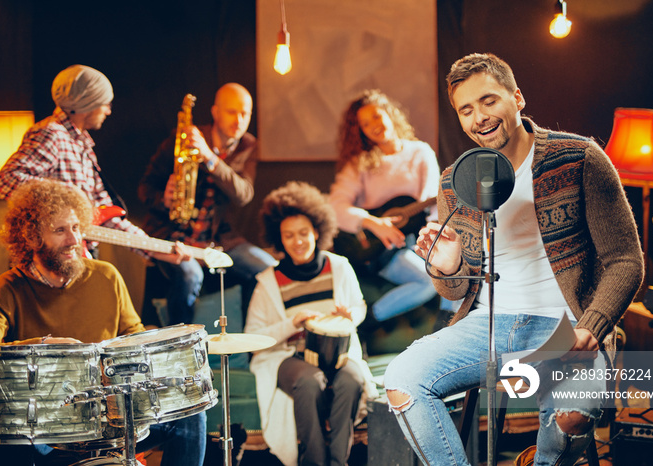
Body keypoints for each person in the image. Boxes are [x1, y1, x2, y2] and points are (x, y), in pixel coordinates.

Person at [383, 53, 644, 465]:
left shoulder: (579, 159)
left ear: (517, 98)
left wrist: (592, 326)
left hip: (568, 325)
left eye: (488, 101)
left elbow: (626, 260)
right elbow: (454, 289)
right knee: (401, 379)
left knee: (572, 413)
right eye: (466, 110)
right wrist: (449, 265)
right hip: (485, 326)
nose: (478, 117)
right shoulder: (456, 181)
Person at [0, 179, 207, 466]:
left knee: (191, 412)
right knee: (5, 430)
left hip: (112, 418)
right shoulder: (8, 287)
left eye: (76, 227)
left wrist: (152, 341)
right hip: (48, 427)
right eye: (60, 230)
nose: (73, 240)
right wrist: (44, 346)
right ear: (32, 236)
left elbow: (132, 336)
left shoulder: (107, 276)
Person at [0, 64, 188, 266]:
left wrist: (153, 248)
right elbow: (6, 181)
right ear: (89, 103)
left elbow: (104, 211)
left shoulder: (80, 143)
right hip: (47, 260)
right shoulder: (51, 134)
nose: (109, 111)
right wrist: (66, 203)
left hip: (75, 257)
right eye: (106, 103)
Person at [243, 181, 377, 466]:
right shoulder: (268, 282)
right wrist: (292, 323)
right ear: (279, 239)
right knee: (309, 380)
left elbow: (359, 307)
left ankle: (338, 462)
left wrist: (349, 316)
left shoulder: (338, 266)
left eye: (304, 233)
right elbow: (253, 337)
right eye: (289, 235)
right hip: (288, 357)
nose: (298, 241)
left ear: (317, 231)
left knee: (353, 380)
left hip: (338, 353)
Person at [138, 82, 276, 326]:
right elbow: (145, 188)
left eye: (246, 114)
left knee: (269, 269)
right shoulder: (182, 138)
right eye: (232, 112)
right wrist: (164, 199)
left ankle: (258, 338)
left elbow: (243, 193)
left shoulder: (248, 146)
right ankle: (181, 343)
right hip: (174, 237)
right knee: (190, 275)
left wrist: (210, 158)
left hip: (219, 241)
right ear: (215, 112)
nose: (239, 120)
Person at [328, 89, 441, 323]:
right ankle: (366, 321)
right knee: (429, 281)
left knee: (459, 275)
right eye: (365, 124)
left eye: (377, 117)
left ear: (390, 114)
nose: (374, 126)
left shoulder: (421, 153)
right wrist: (372, 222)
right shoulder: (360, 164)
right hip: (380, 250)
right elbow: (335, 207)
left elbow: (433, 206)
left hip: (419, 242)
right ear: (361, 132)